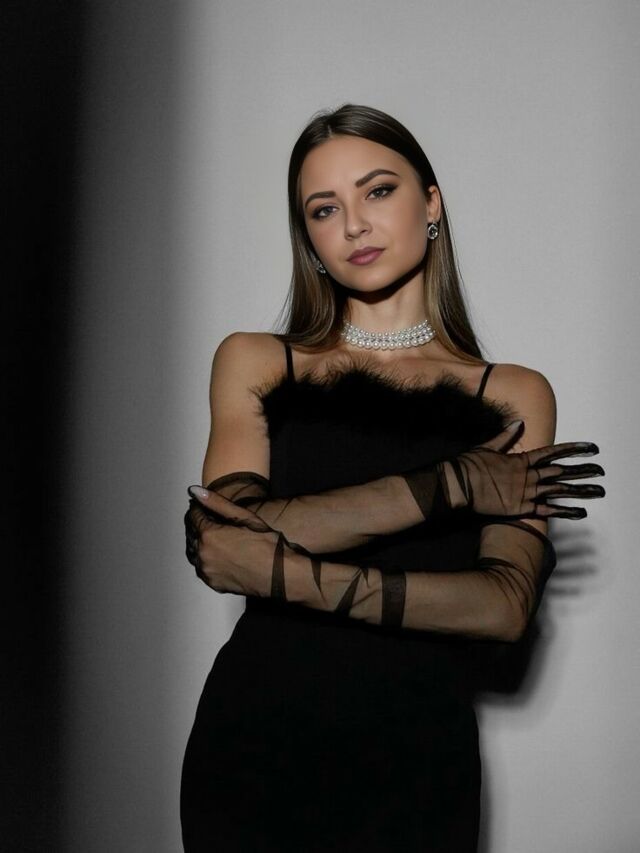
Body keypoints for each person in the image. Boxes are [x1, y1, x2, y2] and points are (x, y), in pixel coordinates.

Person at [180, 104, 605, 852]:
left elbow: (502, 607)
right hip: (256, 740)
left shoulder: (511, 394)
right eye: (324, 209)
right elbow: (225, 541)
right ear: (309, 238)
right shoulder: (257, 360)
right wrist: (451, 486)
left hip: (419, 753)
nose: (354, 225)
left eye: (378, 190)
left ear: (431, 203)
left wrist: (292, 575)